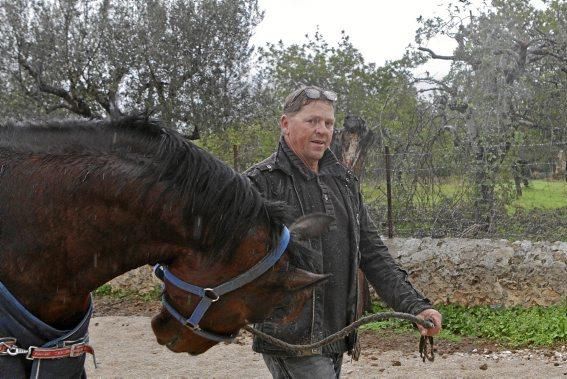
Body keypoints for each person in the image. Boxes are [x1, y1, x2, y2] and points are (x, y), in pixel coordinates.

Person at [245, 85, 442, 378]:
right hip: (291, 340)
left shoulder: (344, 183)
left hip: (336, 334)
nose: (322, 130)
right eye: (312, 121)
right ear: (286, 124)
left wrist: (415, 305)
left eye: (328, 123)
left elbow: (373, 254)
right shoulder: (260, 184)